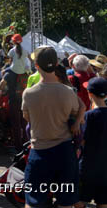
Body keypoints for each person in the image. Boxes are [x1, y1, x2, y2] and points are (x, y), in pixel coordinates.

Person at [22, 47, 85, 208]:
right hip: (64, 151)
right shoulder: (68, 92)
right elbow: (80, 110)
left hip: (39, 151)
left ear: (36, 65)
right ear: (56, 63)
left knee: (33, 200)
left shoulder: (28, 93)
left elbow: (27, 118)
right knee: (66, 201)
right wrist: (77, 122)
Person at [78, 77, 107, 208]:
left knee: (79, 200)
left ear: (89, 94)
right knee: (103, 202)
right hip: (105, 167)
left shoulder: (88, 116)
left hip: (88, 165)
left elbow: (82, 140)